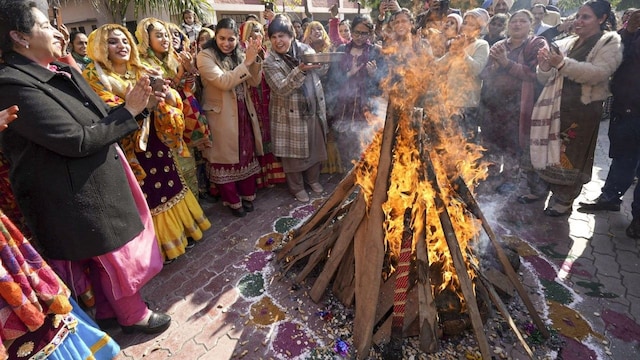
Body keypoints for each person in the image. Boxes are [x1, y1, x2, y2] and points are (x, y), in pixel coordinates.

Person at [0, 0, 171, 335]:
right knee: (109, 260)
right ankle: (131, 315)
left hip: (89, 183)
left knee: (106, 260)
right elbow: (74, 140)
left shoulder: (58, 70)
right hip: (70, 195)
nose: (56, 31)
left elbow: (100, 117)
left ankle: (112, 314)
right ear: (19, 37)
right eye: (45, 25)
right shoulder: (11, 84)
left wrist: (144, 103)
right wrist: (130, 112)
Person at [83, 23, 211, 262]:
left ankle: (183, 233)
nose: (120, 45)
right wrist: (138, 104)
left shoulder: (142, 68)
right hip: (128, 143)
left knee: (169, 181)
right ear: (100, 47)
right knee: (149, 193)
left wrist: (164, 95)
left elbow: (172, 96)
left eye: (123, 40)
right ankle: (163, 245)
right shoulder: (94, 76)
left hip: (157, 135)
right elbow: (105, 110)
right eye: (112, 41)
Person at [521, 0, 622, 216]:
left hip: (581, 110)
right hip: (552, 106)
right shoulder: (568, 42)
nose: (578, 21)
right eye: (577, 17)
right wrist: (545, 65)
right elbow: (545, 78)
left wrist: (561, 64)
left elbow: (599, 73)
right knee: (544, 149)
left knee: (567, 155)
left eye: (585, 17)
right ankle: (538, 191)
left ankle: (563, 200)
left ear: (602, 19)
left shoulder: (609, 43)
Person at [577, 9, 640, 238]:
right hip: (627, 109)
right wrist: (629, 31)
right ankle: (610, 197)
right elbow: (615, 56)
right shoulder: (632, 33)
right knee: (624, 156)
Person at [197, 18, 265, 217]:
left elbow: (254, 82)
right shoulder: (204, 56)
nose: (226, 43)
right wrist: (247, 62)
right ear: (215, 36)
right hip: (221, 116)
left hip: (243, 111)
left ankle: (247, 196)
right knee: (225, 160)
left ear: (237, 39)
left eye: (231, 39)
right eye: (222, 38)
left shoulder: (239, 54)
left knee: (245, 154)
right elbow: (223, 82)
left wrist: (255, 59)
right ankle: (232, 201)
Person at [479, 10, 548, 193]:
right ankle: (492, 175)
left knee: (513, 144)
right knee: (491, 142)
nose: (517, 25)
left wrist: (505, 63)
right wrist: (494, 66)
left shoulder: (537, 44)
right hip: (492, 104)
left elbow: (535, 74)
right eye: (514, 21)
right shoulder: (500, 45)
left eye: (522, 21)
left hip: (518, 105)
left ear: (530, 24)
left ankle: (510, 178)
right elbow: (483, 74)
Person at [263, 15, 328, 203]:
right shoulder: (270, 62)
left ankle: (313, 180)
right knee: (292, 155)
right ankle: (297, 187)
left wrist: (321, 63)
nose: (278, 41)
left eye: (282, 36)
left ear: (291, 35)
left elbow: (320, 72)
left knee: (315, 146)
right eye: (273, 37)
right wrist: (300, 69)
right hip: (288, 114)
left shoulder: (305, 49)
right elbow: (281, 88)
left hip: (312, 107)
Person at [327, 15, 384, 169]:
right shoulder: (341, 51)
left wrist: (374, 75)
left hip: (366, 107)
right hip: (344, 106)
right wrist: (349, 74)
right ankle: (348, 182)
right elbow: (332, 81)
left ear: (370, 34)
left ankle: (365, 183)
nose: (359, 37)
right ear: (351, 31)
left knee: (365, 147)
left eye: (364, 33)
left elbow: (381, 86)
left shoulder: (376, 52)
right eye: (356, 32)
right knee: (345, 146)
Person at [240, 20, 286, 189]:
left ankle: (276, 175)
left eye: (258, 32)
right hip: (252, 101)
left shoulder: (269, 52)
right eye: (251, 34)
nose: (255, 36)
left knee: (271, 133)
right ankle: (262, 177)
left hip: (269, 99)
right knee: (257, 136)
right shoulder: (242, 55)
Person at [436, 8, 490, 141]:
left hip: (466, 106)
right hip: (448, 103)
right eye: (465, 22)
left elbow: (476, 69)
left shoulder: (481, 45)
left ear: (479, 28)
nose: (466, 26)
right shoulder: (457, 44)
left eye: (471, 24)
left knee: (464, 146)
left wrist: (461, 52)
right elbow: (438, 67)